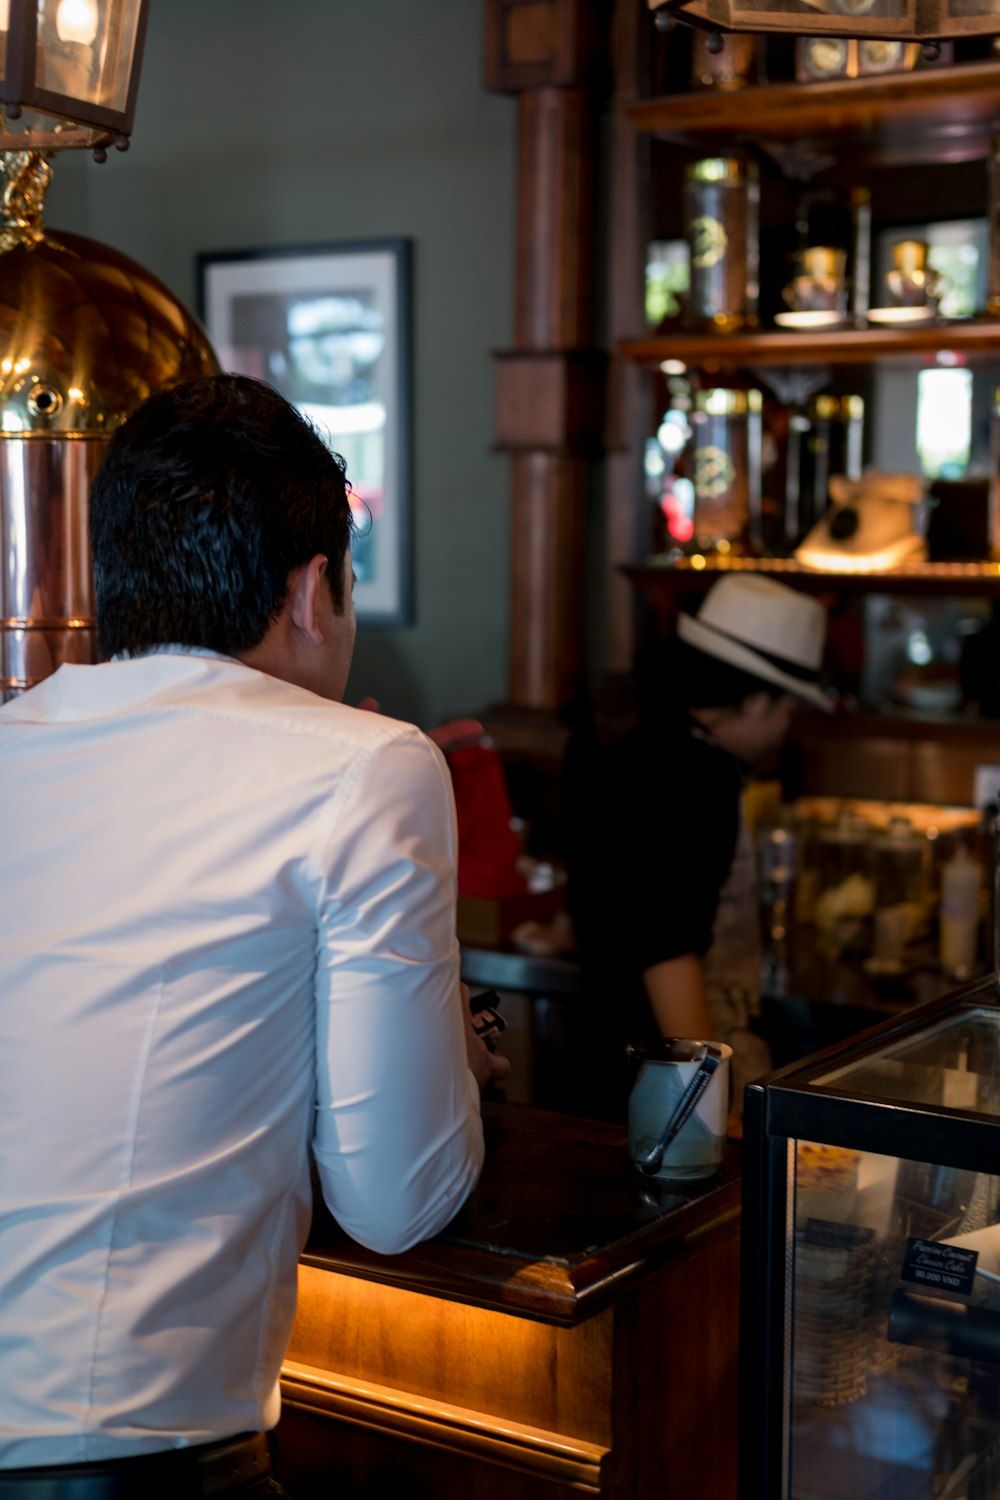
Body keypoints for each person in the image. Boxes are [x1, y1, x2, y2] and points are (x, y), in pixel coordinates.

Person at [0, 374, 507, 1497]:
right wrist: (456, 1069)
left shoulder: (13, 738)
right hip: (131, 1464)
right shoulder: (366, 764)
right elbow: (396, 1199)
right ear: (314, 590)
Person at [568, 573, 829, 1121]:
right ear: (755, 701)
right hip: (670, 1089)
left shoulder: (643, 750)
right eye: (787, 709)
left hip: (611, 1066)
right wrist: (713, 1110)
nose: (786, 727)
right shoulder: (701, 776)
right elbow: (668, 949)